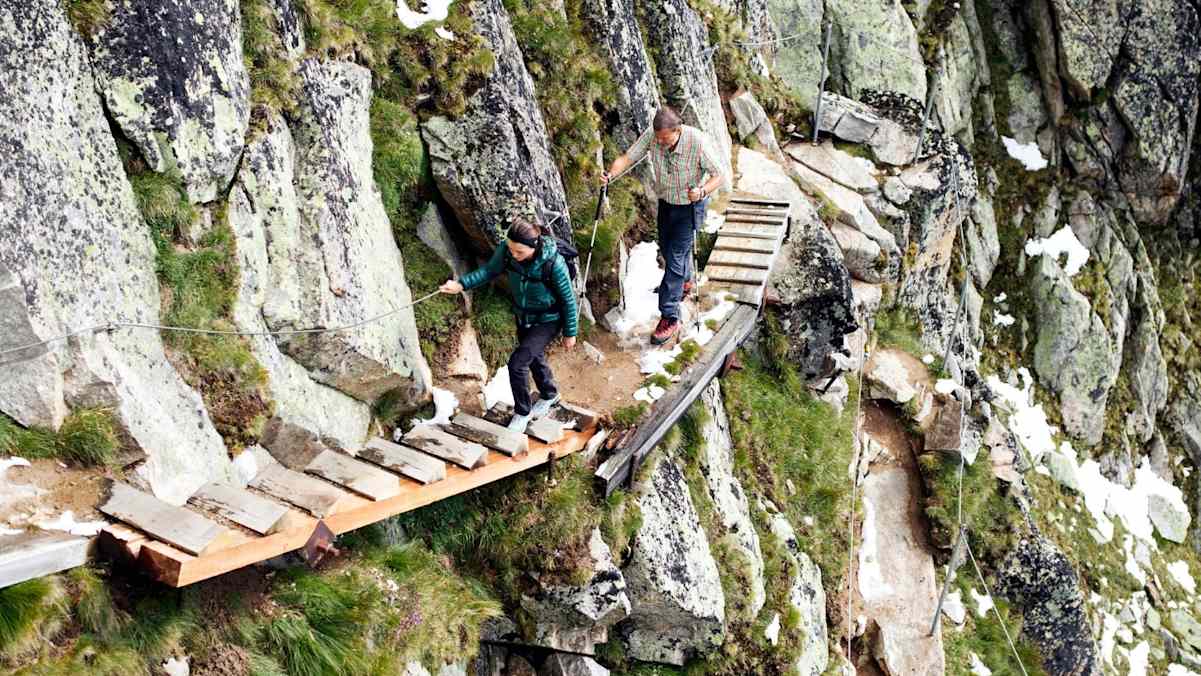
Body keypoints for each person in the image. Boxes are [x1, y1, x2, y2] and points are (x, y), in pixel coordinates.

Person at [439, 218, 578, 433]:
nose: (514, 255)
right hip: (524, 315)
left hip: (549, 319)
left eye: (519, 252)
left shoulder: (553, 263)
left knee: (518, 363)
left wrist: (570, 332)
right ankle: (550, 394)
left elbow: (568, 300)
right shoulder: (507, 250)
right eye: (511, 249)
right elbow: (488, 272)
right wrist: (460, 285)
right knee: (533, 357)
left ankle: (522, 413)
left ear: (534, 246)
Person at [602, 106, 725, 345]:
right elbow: (628, 157)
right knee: (668, 251)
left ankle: (670, 316)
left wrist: (701, 191)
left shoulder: (697, 142)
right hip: (667, 202)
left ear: (677, 131)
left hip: (690, 206)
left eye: (664, 139)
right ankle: (685, 281)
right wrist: (610, 174)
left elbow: (718, 175)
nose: (659, 143)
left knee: (676, 256)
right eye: (657, 138)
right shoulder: (654, 135)